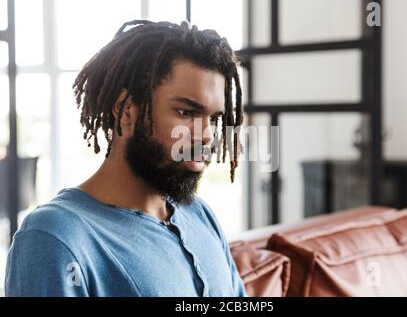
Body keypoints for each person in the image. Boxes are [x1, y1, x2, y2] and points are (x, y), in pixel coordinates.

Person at [5, 20, 246, 297]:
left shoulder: (200, 214)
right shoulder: (54, 237)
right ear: (126, 110)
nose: (207, 135)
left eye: (214, 119)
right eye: (186, 112)